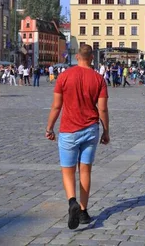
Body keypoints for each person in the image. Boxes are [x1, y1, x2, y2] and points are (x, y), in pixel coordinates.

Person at [45, 44, 110, 229]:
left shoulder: (64, 76)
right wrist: (106, 131)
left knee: (68, 170)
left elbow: (56, 106)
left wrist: (49, 127)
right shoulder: (98, 79)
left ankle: (71, 201)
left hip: (68, 130)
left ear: (77, 57)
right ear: (92, 58)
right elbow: (103, 108)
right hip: (90, 129)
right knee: (85, 170)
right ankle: (83, 211)